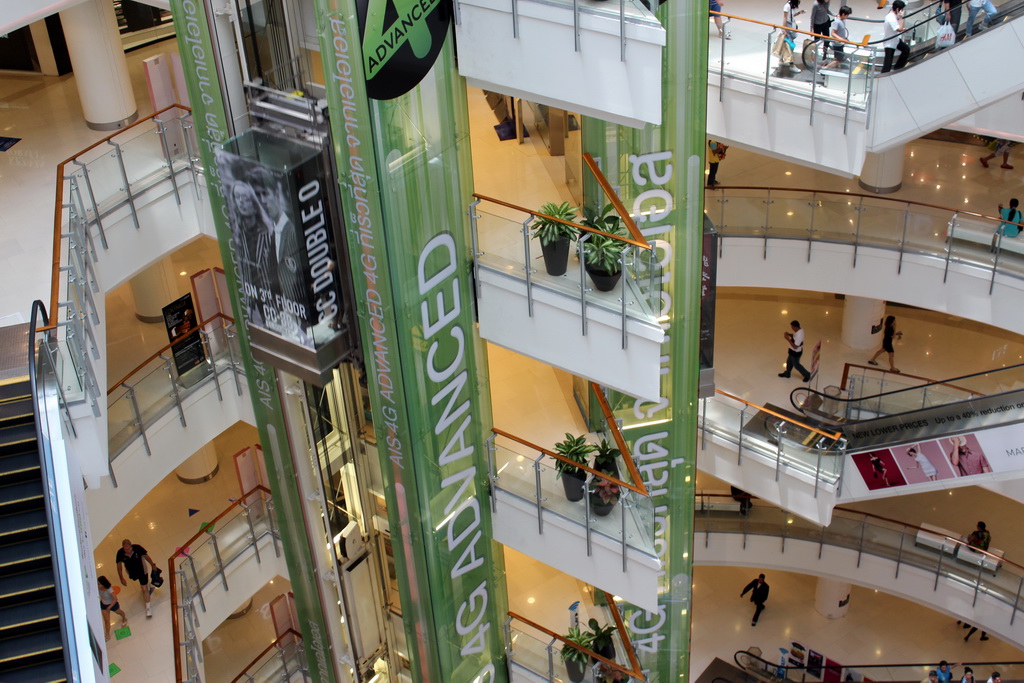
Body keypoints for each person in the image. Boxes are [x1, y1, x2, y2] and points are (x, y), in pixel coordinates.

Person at [116, 539, 157, 617]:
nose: (127, 551)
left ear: (131, 546)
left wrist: (153, 565)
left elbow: (146, 556)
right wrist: (121, 578)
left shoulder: (137, 548)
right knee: (142, 585)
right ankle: (145, 586)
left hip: (142, 570)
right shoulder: (120, 553)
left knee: (144, 588)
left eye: (128, 549)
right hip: (132, 572)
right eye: (125, 549)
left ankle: (148, 608)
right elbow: (119, 565)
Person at [774, 0, 806, 76]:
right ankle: (791, 64)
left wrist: (799, 13)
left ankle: (781, 60)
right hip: (788, 28)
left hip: (791, 27)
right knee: (789, 46)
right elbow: (785, 18)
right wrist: (784, 29)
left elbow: (791, 16)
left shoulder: (791, 5)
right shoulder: (787, 6)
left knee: (787, 45)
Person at [881, 0, 910, 73]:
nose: (902, 11)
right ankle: (884, 76)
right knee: (887, 64)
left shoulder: (893, 16)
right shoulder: (891, 18)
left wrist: (903, 29)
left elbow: (898, 28)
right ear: (898, 9)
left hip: (896, 40)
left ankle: (898, 67)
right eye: (902, 9)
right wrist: (901, 18)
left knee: (906, 49)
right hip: (890, 43)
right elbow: (899, 29)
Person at [98, 576, 128, 641]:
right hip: (104, 605)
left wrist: (109, 607)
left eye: (99, 584)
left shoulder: (109, 590)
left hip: (113, 604)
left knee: (119, 612)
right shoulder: (98, 589)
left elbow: (115, 599)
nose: (98, 585)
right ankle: (107, 634)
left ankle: (124, 618)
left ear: (103, 584)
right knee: (106, 621)